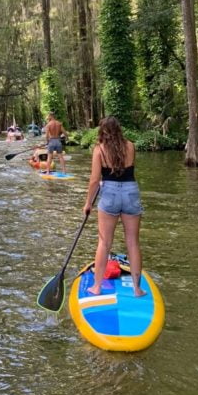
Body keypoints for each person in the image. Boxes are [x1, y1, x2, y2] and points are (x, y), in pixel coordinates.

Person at [82, 116, 145, 297]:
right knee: (133, 242)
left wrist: (88, 204)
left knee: (104, 242)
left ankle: (96, 287)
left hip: (109, 193)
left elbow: (95, 180)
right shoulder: (131, 146)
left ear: (103, 131)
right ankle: (137, 289)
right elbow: (128, 170)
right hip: (131, 191)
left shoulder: (99, 150)